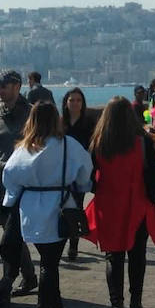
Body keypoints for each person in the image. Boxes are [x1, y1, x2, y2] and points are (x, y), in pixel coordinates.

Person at [86, 97, 155, 308]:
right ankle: (136, 302)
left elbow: (88, 175)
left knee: (114, 256)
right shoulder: (142, 141)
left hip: (109, 205)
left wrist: (99, 188)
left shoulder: (99, 142)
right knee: (137, 254)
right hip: (137, 205)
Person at [2, 102, 92, 308]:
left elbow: (9, 177)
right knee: (49, 265)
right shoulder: (68, 145)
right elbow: (86, 172)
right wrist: (81, 186)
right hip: (60, 206)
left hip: (30, 209)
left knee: (48, 260)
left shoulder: (23, 149)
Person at [0, 70, 38, 307]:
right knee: (13, 233)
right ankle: (29, 277)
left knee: (10, 238)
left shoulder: (32, 114)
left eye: (4, 85)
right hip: (0, 186)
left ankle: (6, 283)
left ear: (17, 87)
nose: (0, 89)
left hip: (26, 186)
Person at [61, 87, 97, 262]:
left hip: (81, 171)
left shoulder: (89, 123)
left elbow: (93, 147)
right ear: (66, 103)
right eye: (72, 100)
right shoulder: (60, 123)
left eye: (78, 100)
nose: (75, 103)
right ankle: (60, 239)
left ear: (83, 103)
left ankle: (73, 244)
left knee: (76, 206)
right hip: (62, 171)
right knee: (61, 207)